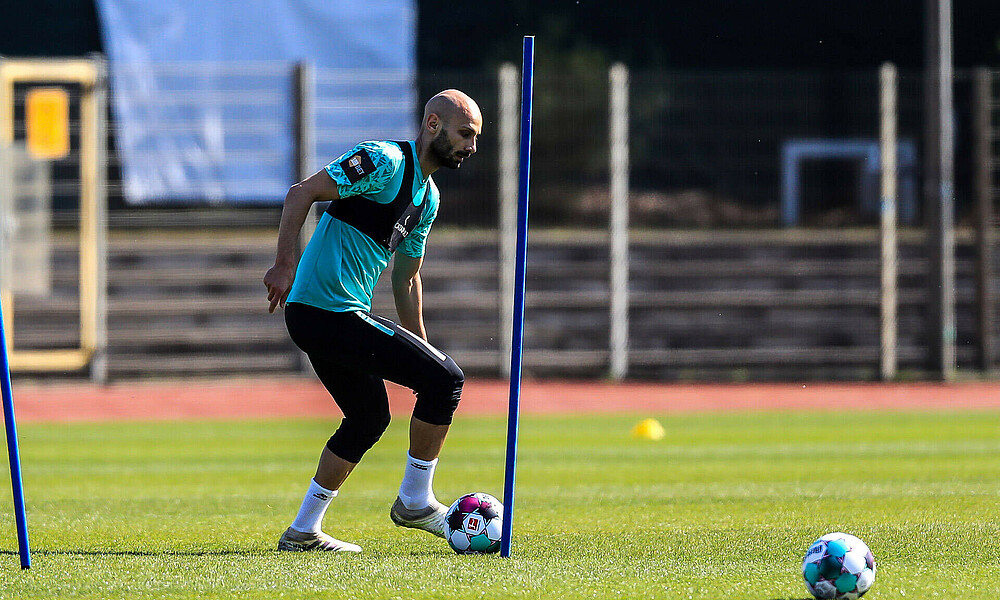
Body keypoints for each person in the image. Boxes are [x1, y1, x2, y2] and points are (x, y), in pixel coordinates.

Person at [263, 90, 483, 552]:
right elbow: (302, 192)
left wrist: (423, 353)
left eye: (476, 138)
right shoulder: (383, 160)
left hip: (333, 317)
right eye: (466, 134)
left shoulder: (429, 198)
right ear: (433, 125)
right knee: (448, 382)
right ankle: (415, 502)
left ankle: (303, 531)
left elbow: (408, 278)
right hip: (325, 310)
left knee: (369, 417)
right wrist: (284, 263)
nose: (471, 147)